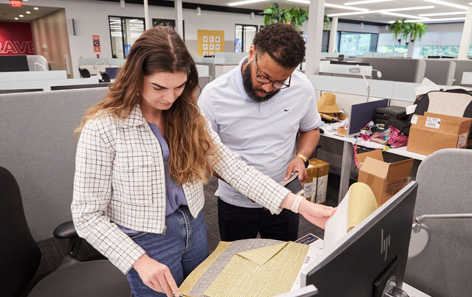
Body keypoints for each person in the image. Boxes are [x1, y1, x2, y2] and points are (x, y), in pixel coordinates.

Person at [71, 26, 335, 297]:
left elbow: (231, 166)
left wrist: (299, 205)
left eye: (179, 86)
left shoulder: (187, 114)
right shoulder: (103, 128)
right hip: (146, 238)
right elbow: (87, 216)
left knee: (201, 293)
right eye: (159, 87)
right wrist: (138, 260)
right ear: (135, 77)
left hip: (194, 224)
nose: (169, 98)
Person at [198, 23, 321, 242]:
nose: (267, 88)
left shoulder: (302, 88)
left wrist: (301, 157)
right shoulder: (214, 95)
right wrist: (247, 185)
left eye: (280, 82)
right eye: (263, 76)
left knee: (283, 264)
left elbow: (311, 129)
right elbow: (206, 155)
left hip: (285, 198)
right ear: (252, 52)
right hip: (237, 203)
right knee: (236, 266)